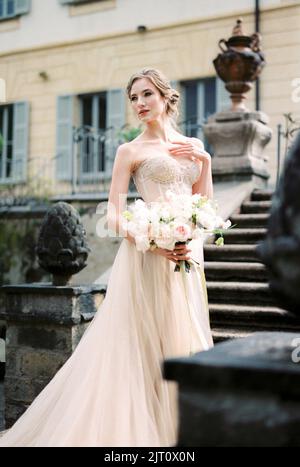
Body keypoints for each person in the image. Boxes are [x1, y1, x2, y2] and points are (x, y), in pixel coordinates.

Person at [0, 67, 214, 447]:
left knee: (182, 339)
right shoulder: (129, 150)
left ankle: (180, 431)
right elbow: (113, 215)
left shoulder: (192, 146)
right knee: (140, 345)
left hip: (185, 256)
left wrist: (206, 162)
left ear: (166, 97)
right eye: (133, 98)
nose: (139, 104)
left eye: (147, 94)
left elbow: (204, 205)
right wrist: (151, 238)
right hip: (147, 256)